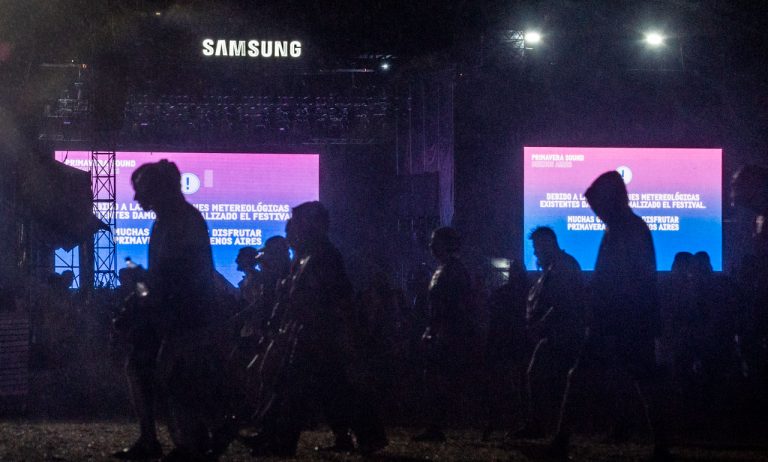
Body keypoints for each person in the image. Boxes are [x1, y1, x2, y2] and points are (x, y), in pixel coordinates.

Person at [547, 171, 669, 461]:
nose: (596, 213)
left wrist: (599, 308)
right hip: (628, 321)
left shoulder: (624, 230)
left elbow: (625, 279)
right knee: (643, 382)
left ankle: (562, 440)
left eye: (597, 206)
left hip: (618, 320)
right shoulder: (629, 227)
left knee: (583, 378)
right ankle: (660, 444)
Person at [252, 201, 387, 456]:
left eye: (297, 223)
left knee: (318, 387)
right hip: (310, 333)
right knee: (321, 387)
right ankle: (281, 439)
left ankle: (282, 441)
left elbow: (340, 297)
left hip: (322, 334)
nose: (293, 229)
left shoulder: (325, 256)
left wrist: (345, 334)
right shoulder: (308, 256)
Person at [114, 160, 223, 461]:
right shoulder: (173, 220)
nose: (137, 197)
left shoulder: (179, 222)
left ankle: (190, 443)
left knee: (174, 377)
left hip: (185, 316)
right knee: (148, 369)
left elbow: (175, 276)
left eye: (142, 190)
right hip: (175, 314)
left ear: (159, 189)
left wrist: (141, 280)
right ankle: (169, 440)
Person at [516, 226, 584, 438]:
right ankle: (550, 425)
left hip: (560, 333)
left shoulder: (561, 267)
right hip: (557, 333)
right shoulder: (555, 266)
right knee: (550, 379)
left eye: (537, 246)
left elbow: (562, 303)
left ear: (548, 244)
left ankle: (541, 425)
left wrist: (540, 324)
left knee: (538, 375)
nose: (535, 252)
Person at [413, 226, 476, 442]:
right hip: (445, 331)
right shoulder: (446, 269)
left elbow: (455, 305)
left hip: (449, 333)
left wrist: (438, 330)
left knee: (439, 379)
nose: (431, 245)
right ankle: (437, 423)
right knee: (437, 378)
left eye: (435, 241)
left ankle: (438, 425)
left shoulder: (452, 270)